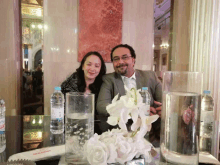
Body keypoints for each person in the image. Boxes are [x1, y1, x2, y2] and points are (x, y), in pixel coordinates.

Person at [96, 44, 162, 145]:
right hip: (120, 137)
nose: (120, 62)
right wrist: (131, 111)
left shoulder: (150, 76)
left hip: (149, 135)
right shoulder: (109, 80)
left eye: (125, 57)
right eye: (116, 59)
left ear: (133, 60)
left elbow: (163, 101)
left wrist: (162, 109)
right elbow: (101, 106)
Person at [61, 51, 106, 134]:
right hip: (71, 129)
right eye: (89, 64)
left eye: (97, 66)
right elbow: (63, 111)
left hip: (95, 130)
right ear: (82, 66)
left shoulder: (104, 87)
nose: (92, 68)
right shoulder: (69, 85)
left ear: (100, 69)